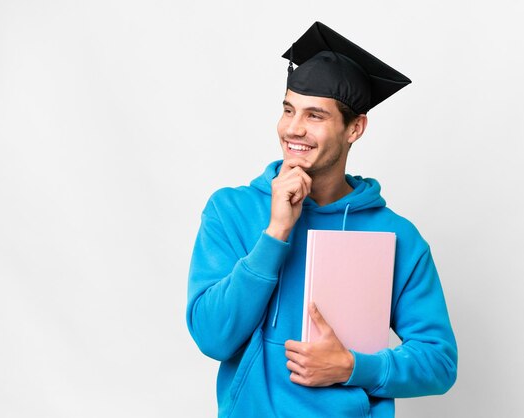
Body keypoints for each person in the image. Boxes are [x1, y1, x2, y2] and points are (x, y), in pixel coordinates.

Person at [186, 21, 457, 418]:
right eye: (288, 109)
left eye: (315, 115)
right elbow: (213, 338)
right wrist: (276, 233)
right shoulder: (231, 210)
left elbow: (439, 363)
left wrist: (353, 367)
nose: (294, 129)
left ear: (355, 128)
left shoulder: (397, 235)